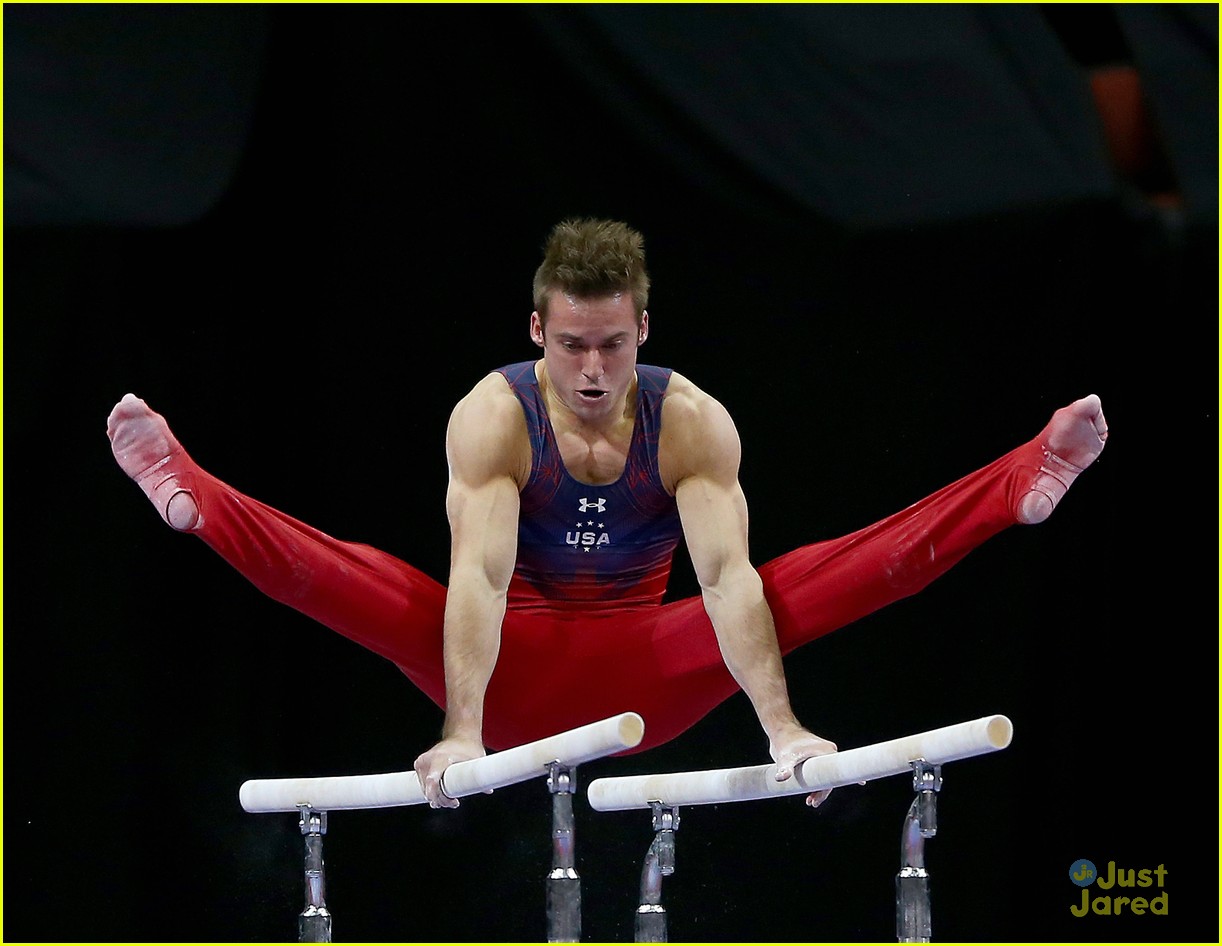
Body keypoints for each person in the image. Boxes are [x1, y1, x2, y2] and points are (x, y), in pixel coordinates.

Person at [106, 218, 1108, 810]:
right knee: (366, 581)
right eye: (573, 345)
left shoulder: (691, 423)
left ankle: (1015, 480)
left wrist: (783, 729)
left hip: (651, 668)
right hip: (502, 668)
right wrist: (462, 733)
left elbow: (722, 582)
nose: (592, 372)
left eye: (613, 347)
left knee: (805, 579)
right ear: (538, 328)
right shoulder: (492, 416)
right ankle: (201, 497)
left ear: (642, 331)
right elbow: (481, 580)